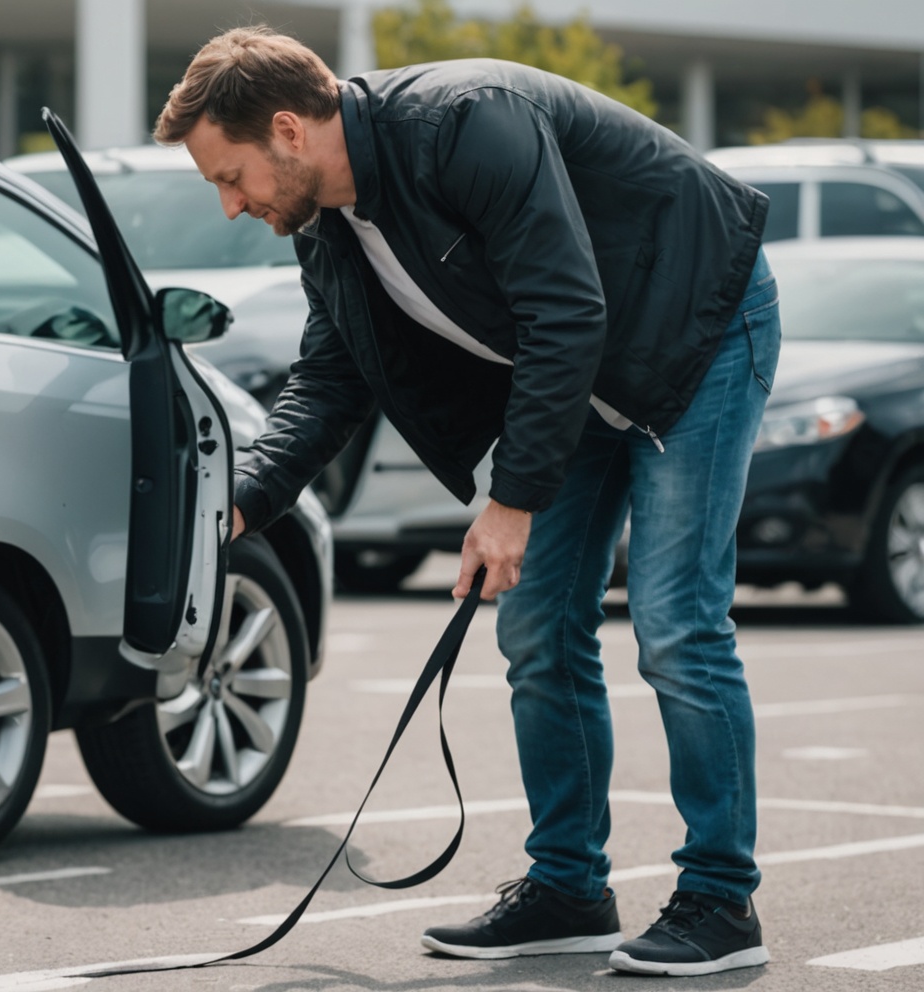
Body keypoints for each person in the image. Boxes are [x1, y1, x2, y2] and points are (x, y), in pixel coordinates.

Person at [158, 27, 777, 977]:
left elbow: (566, 306)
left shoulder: (463, 124)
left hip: (696, 328)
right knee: (535, 627)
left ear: (287, 128)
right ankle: (569, 889)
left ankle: (720, 905)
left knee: (675, 622)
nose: (232, 203)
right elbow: (331, 380)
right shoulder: (326, 225)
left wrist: (511, 501)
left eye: (228, 176)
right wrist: (240, 500)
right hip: (575, 373)